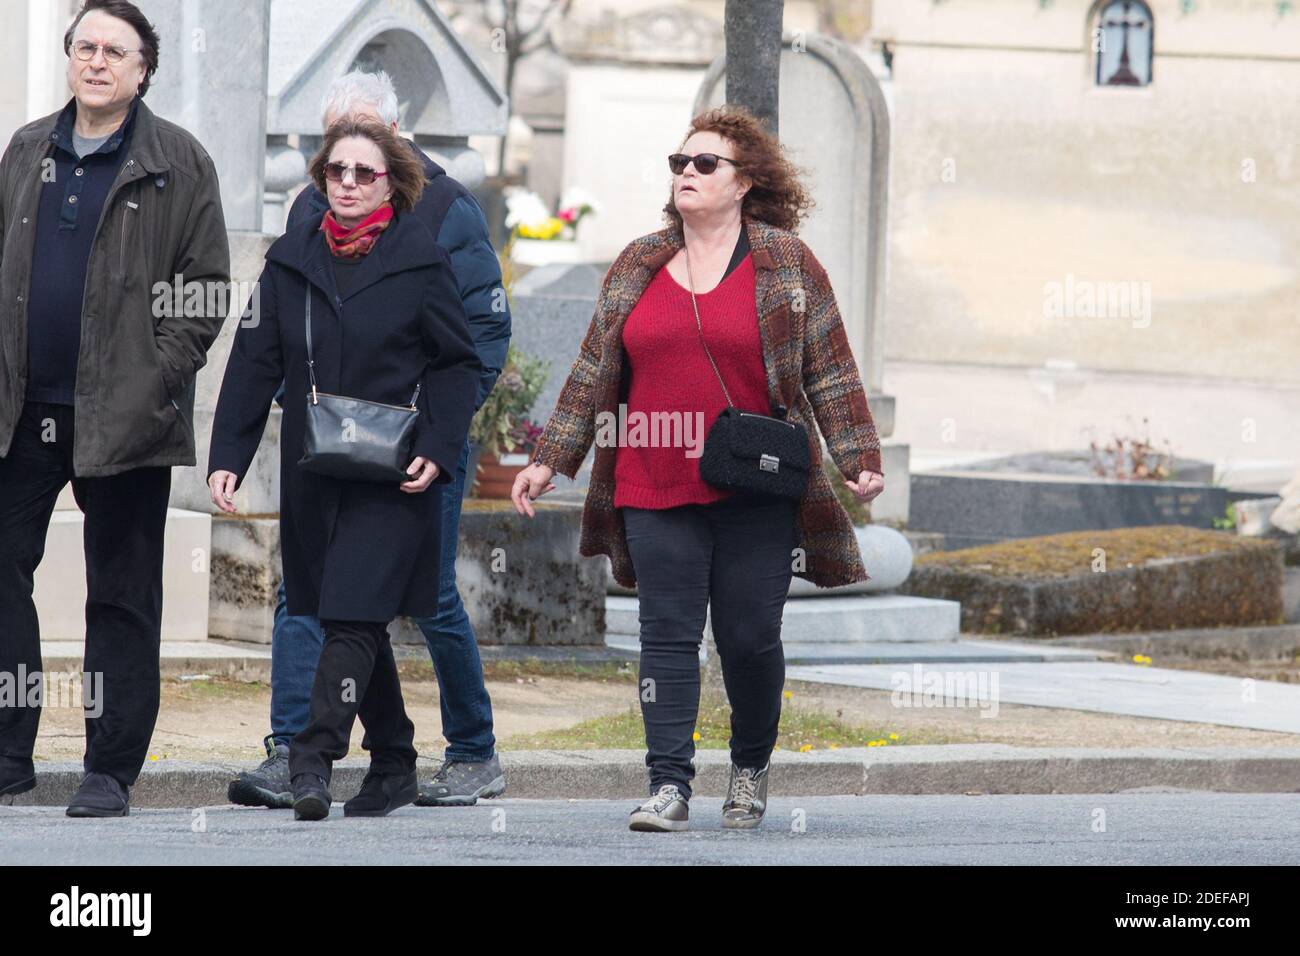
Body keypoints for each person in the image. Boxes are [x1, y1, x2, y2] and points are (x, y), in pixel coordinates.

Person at [511, 105, 885, 832]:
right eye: (679, 163)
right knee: (667, 634)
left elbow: (830, 369)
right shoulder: (638, 262)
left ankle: (748, 768)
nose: (686, 172)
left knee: (748, 638)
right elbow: (593, 369)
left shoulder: (787, 264)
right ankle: (669, 783)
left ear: (744, 181)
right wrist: (549, 461)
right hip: (652, 480)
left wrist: (858, 457)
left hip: (754, 486)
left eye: (704, 163)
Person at [225, 71, 510, 812]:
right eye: (335, 166)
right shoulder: (294, 253)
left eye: (363, 167)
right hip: (317, 460)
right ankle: (391, 762)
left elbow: (463, 355)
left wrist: (441, 445)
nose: (347, 179)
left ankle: (312, 758)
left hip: (399, 464)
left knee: (375, 609)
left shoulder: (430, 244)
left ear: (392, 168)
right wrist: (228, 454)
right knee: (331, 600)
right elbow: (256, 356)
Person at [0, 0, 230, 816]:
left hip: (127, 417)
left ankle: (110, 768)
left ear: (142, 71)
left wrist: (153, 381)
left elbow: (202, 294)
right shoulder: (27, 151)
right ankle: (7, 752)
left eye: (114, 51)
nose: (95, 62)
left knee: (121, 597)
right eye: (84, 47)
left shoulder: (178, 161)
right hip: (22, 414)